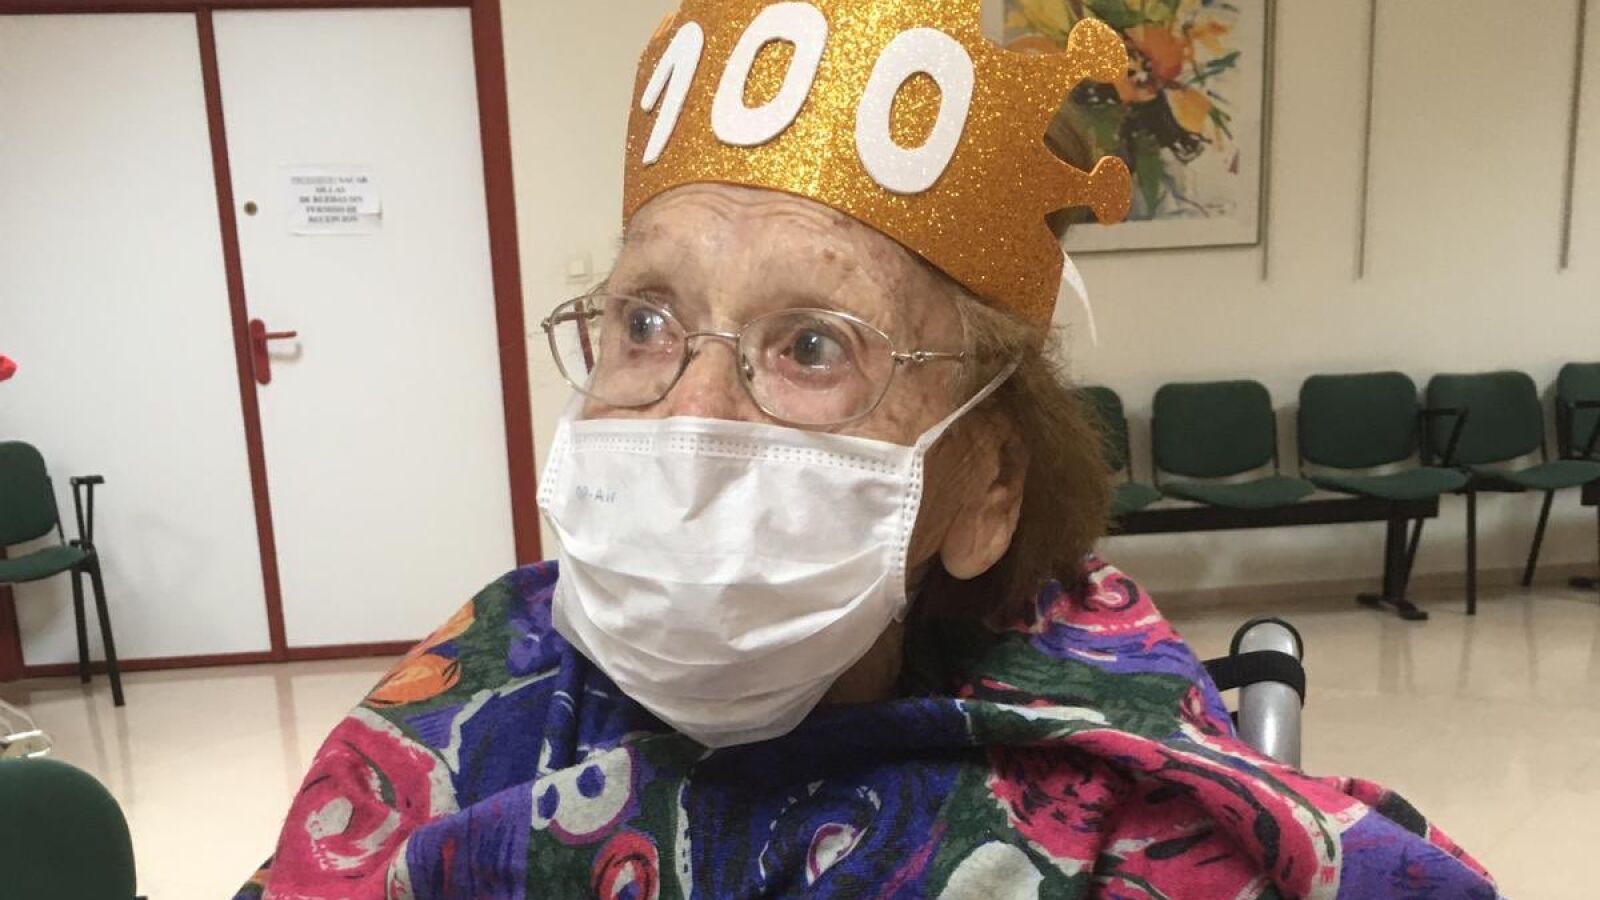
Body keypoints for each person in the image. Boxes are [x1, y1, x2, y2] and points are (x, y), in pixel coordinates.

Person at [239, 2, 1498, 897]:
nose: (687, 413)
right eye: (644, 322)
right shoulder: (460, 703)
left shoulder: (1130, 810)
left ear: (987, 486)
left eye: (811, 346)